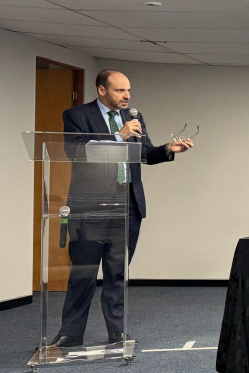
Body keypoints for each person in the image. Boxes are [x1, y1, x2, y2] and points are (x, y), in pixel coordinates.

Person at [48, 69, 193, 348]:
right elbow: (76, 153)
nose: (127, 96)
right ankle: (71, 333)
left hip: (127, 205)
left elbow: (143, 154)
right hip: (90, 208)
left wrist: (167, 149)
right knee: (83, 272)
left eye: (128, 90)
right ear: (102, 90)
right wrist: (117, 137)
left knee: (118, 273)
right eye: (120, 90)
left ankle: (117, 331)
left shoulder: (133, 117)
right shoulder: (77, 116)